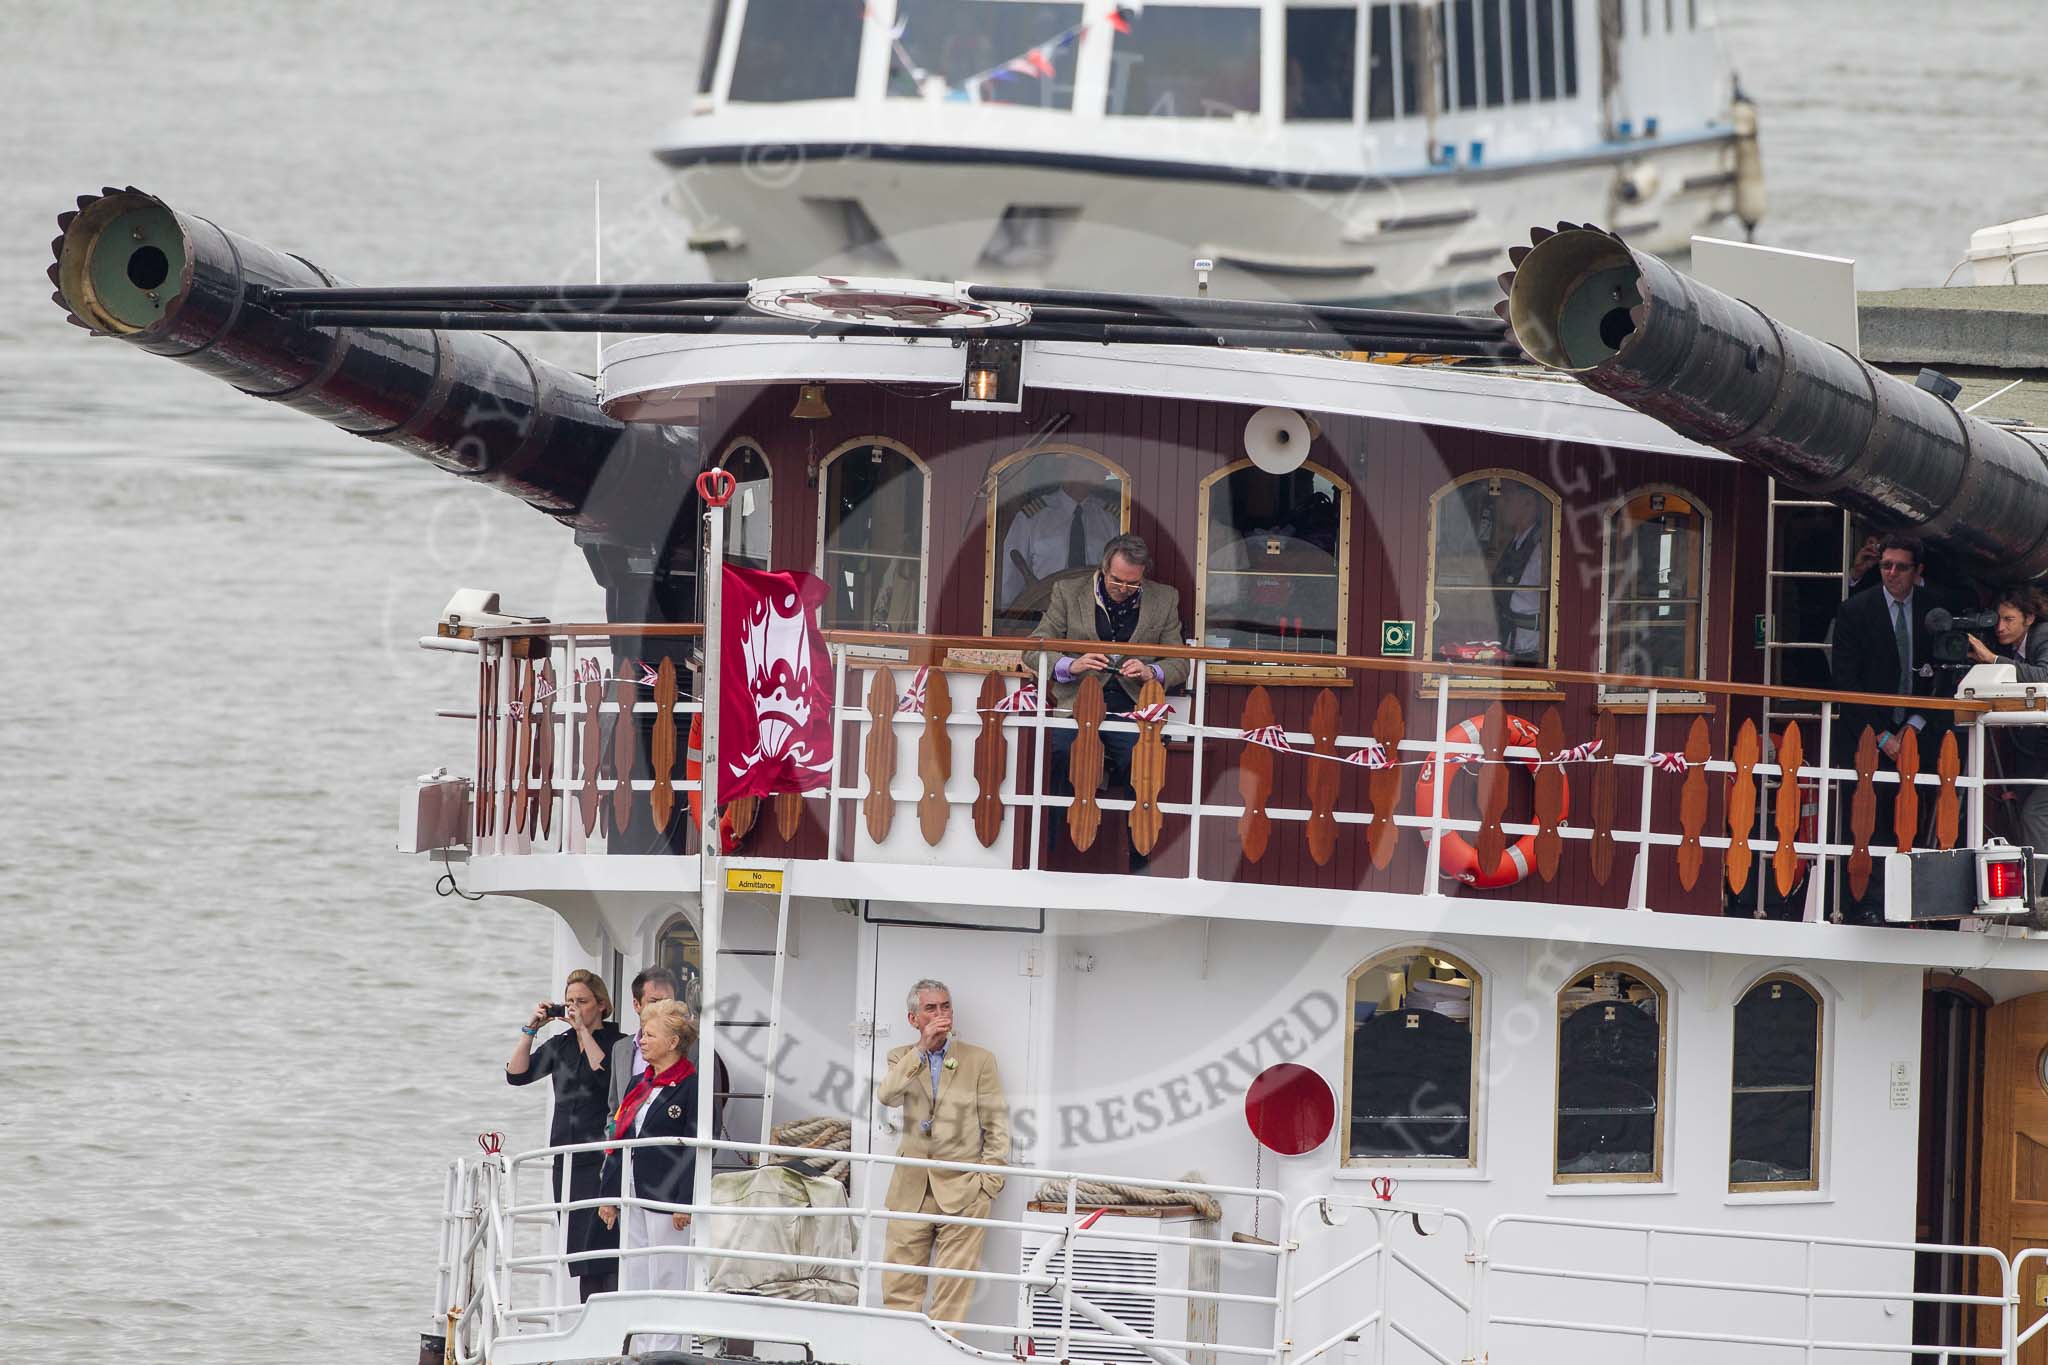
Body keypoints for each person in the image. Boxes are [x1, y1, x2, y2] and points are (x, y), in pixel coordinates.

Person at [1828, 535, 1963, 920]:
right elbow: (1845, 683)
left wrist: (1915, 726)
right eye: (1885, 565)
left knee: (1919, 817)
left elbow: (1943, 677)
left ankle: (1916, 904)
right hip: (1868, 734)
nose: (1891, 573)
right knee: (1869, 822)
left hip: (1922, 732)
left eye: (1900, 567)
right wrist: (1884, 735)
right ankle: (1870, 904)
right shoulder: (1855, 610)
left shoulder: (1936, 610)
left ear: (1917, 571)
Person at [1024, 534, 1189, 816]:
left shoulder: (1165, 598)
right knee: (1060, 753)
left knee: (1141, 762)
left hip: (1133, 709)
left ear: (1143, 575)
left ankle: (1139, 854)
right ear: (1103, 568)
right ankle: (1050, 846)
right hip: (1075, 705)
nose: (1123, 588)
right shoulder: (1067, 591)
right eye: (1116, 580)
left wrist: (1151, 672)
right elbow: (1033, 648)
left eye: (1133, 583)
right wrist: (1071, 665)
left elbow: (1180, 662)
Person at [876, 979, 1010, 1324]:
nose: (940, 1014)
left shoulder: (979, 1060)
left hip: (965, 1189)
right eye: (931, 1008)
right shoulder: (901, 1057)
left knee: (953, 1292)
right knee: (899, 1289)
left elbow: (996, 1124)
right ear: (913, 1018)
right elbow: (887, 1097)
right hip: (911, 1189)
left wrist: (988, 1184)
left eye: (945, 1006)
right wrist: (921, 1049)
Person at [507, 968, 626, 1300]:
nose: (574, 1008)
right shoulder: (560, 1046)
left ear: (601, 1005)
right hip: (566, 1158)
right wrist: (531, 1027)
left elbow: (603, 1075)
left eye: (583, 1001)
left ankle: (610, 1325)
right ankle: (589, 1322)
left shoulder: (618, 1044)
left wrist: (584, 1031)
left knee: (604, 1250)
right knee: (580, 1255)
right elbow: (516, 1075)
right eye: (569, 1002)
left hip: (602, 1159)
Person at [597, 998, 700, 1348]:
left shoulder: (692, 1087)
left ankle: (665, 1351)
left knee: (668, 1275)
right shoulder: (638, 1083)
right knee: (637, 1272)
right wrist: (608, 1196)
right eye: (641, 1033)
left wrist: (685, 1202)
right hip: (633, 1191)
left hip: (669, 1196)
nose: (640, 1040)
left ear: (673, 1042)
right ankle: (639, 1349)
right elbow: (619, 1138)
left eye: (649, 1035)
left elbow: (698, 1149)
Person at [1966, 587, 2048, 898]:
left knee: (2034, 816)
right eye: (1998, 619)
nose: (2000, 627)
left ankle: (2032, 898)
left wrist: (1993, 660)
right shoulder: (2017, 646)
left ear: (2029, 618)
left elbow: (2044, 675)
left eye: (2009, 619)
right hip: (2035, 756)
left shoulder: (2043, 635)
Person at [999, 471, 1120, 607]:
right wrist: (1009, 618)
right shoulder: (1032, 518)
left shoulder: (1110, 519)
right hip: (1041, 617)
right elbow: (1010, 579)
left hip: (1095, 616)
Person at [607, 966, 679, 1116]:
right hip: (627, 1139)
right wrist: (612, 1136)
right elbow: (615, 1111)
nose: (661, 1009)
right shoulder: (620, 1049)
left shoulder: (695, 1050)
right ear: (636, 1004)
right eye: (654, 1002)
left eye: (667, 1002)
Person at [1490, 482, 1547, 663]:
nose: (1500, 505)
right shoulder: (1515, 542)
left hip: (1530, 649)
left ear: (1528, 503)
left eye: (1507, 499)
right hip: (1508, 642)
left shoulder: (1541, 549)